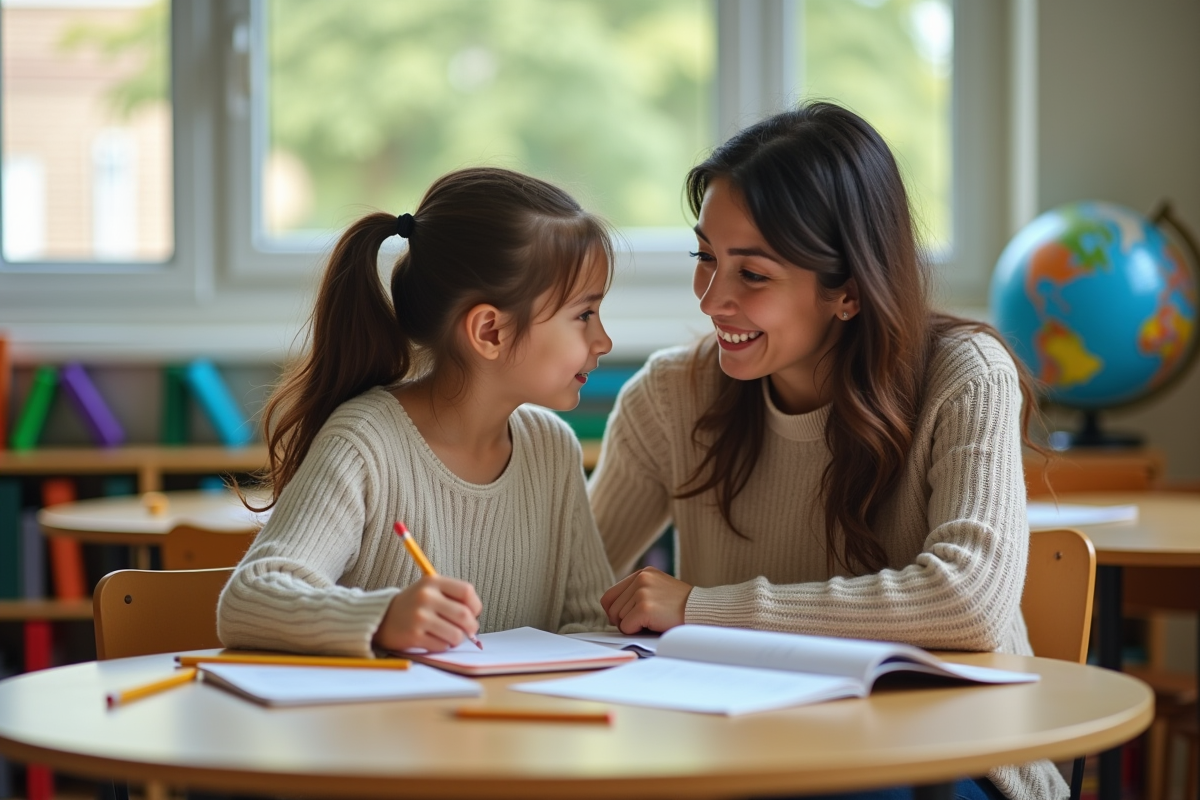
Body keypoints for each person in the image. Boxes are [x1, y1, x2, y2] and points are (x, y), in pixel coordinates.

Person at [589, 104, 1065, 800]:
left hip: (944, 760)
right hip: (742, 753)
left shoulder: (965, 374)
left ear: (846, 291)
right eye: (705, 258)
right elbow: (573, 586)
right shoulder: (670, 394)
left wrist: (701, 608)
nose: (712, 299)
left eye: (752, 275)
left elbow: (967, 602)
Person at [218, 167, 616, 657]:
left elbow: (590, 623)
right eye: (584, 315)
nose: (603, 341)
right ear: (490, 331)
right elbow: (248, 600)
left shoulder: (552, 448)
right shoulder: (365, 442)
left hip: (511, 730)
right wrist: (382, 619)